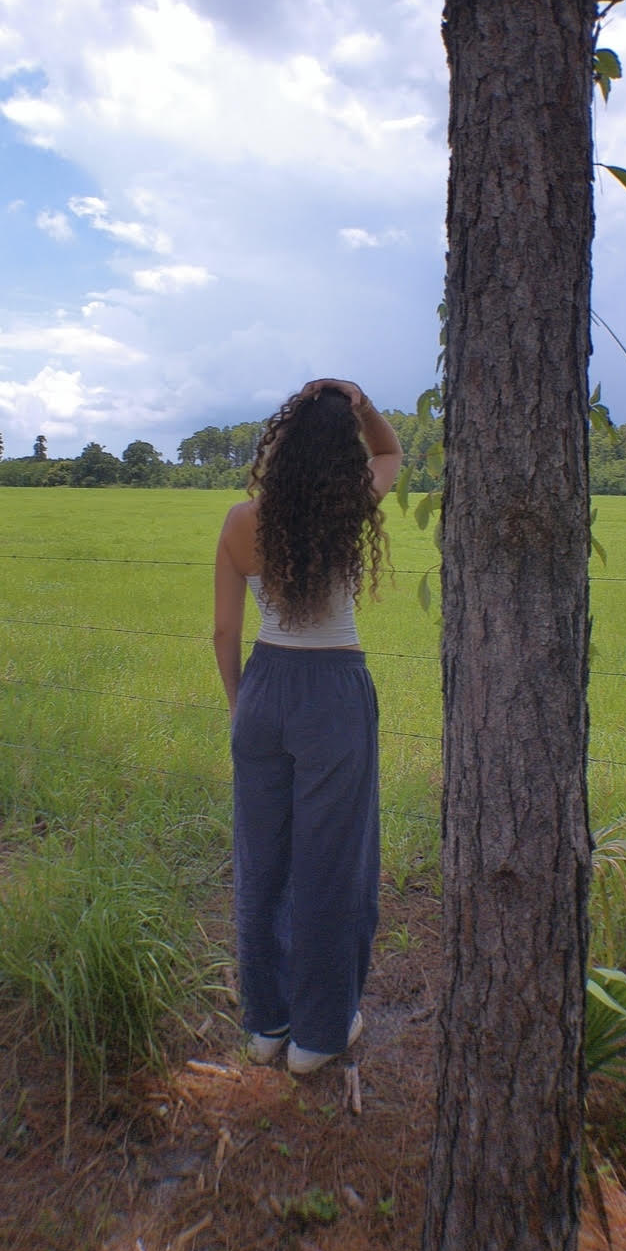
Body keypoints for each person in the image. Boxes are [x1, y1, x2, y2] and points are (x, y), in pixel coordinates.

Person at [213, 378, 403, 1075]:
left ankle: (267, 1025)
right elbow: (391, 453)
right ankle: (318, 1036)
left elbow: (223, 629)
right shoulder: (349, 505)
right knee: (332, 865)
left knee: (263, 862)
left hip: (263, 685)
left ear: (283, 447)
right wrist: (362, 404)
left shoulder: (240, 521)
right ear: (338, 457)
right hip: (333, 691)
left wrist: (242, 706)